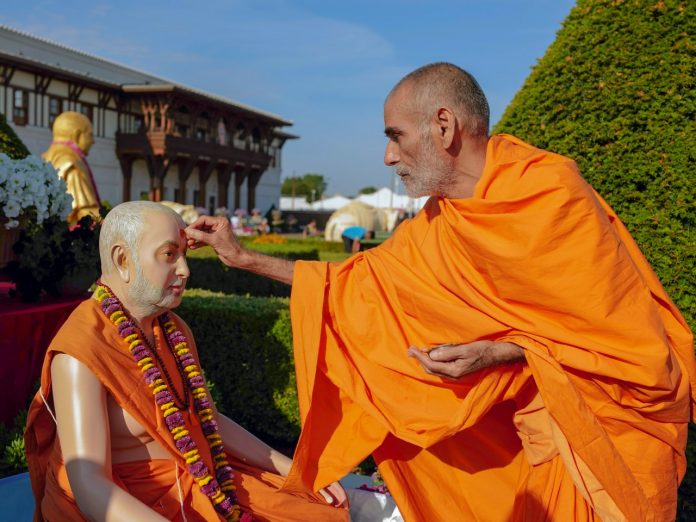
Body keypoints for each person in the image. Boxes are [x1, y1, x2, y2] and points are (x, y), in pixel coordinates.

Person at [186, 63, 696, 521]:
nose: (388, 156)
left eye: (396, 135)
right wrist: (245, 257)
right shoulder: (439, 219)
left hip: (599, 442)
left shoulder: (550, 196)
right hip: (528, 445)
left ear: (444, 126)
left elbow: (633, 351)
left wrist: (504, 352)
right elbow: (356, 284)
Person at [24, 201, 349, 522]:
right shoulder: (80, 352)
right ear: (122, 260)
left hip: (201, 480)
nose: (185, 270)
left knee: (321, 512)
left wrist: (299, 473)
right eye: (169, 255)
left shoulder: (173, 330)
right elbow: (89, 484)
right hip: (131, 503)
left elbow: (205, 419)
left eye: (185, 254)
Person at [43, 111, 101, 225]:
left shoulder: (45, 158)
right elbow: (86, 213)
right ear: (77, 135)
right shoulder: (72, 164)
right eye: (90, 135)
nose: (93, 141)